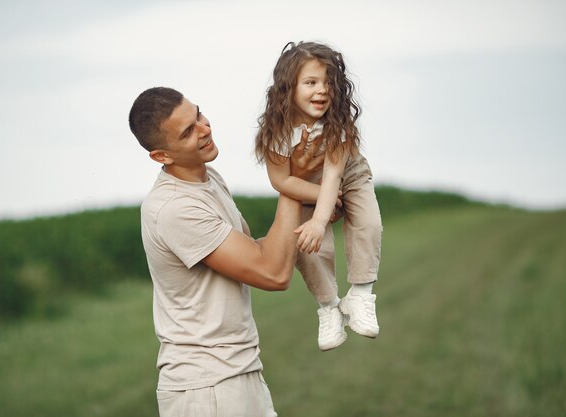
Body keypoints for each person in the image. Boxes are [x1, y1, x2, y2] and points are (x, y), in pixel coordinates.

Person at [128, 86, 323, 417]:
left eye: (199, 115)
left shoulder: (209, 178)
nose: (205, 129)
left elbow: (256, 253)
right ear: (162, 156)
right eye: (189, 131)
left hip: (239, 373)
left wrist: (313, 210)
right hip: (206, 391)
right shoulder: (174, 207)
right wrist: (291, 182)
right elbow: (272, 273)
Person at [255, 41, 383, 351]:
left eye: (329, 83)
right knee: (306, 242)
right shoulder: (278, 130)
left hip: (346, 176)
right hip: (302, 183)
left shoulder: (337, 125)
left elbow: (334, 176)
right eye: (311, 83)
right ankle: (328, 308)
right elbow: (280, 180)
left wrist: (326, 211)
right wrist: (317, 214)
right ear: (289, 88)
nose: (322, 91)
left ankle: (361, 295)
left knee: (369, 223)